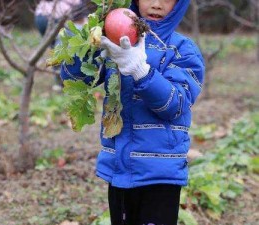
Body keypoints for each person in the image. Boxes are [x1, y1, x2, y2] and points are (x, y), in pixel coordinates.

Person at [60, 0, 205, 224]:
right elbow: (75, 79)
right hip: (119, 169)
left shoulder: (183, 50)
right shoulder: (113, 42)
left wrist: (141, 71)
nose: (157, 4)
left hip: (161, 174)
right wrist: (86, 44)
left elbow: (175, 104)